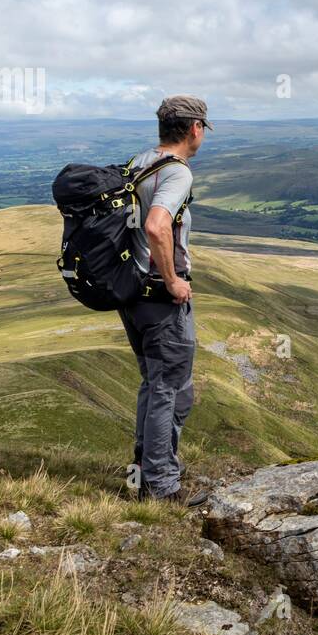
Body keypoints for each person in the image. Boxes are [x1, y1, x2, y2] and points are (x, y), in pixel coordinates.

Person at [117, 95, 212, 506]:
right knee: (172, 390)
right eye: (203, 129)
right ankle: (161, 487)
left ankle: (144, 473)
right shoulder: (176, 173)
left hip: (132, 293)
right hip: (159, 295)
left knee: (154, 385)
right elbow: (157, 226)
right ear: (195, 129)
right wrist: (173, 281)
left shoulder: (139, 161)